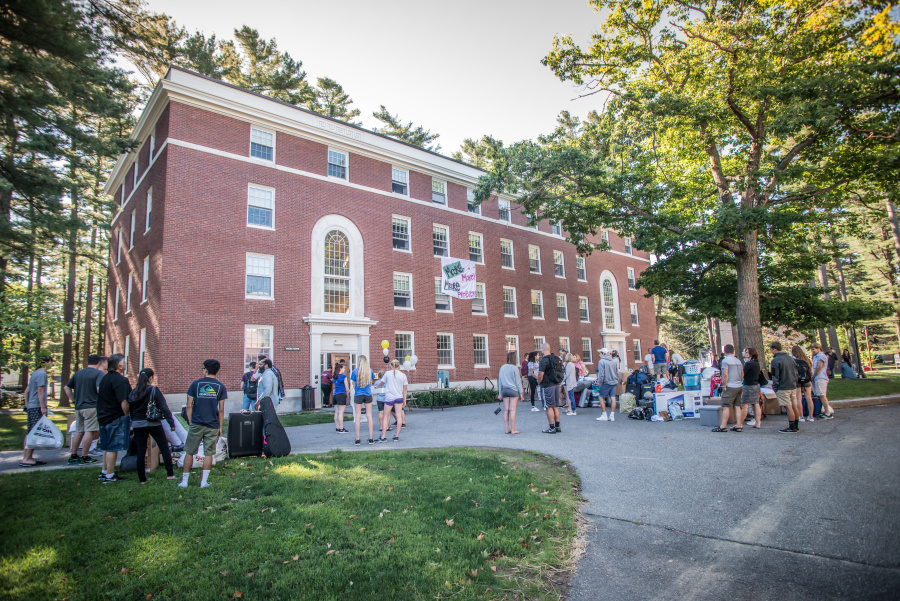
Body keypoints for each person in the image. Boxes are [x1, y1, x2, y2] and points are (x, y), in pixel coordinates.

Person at [179, 359, 227, 489]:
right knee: (209, 453)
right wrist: (220, 426)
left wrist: (190, 421)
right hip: (212, 425)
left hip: (196, 423)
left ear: (205, 369)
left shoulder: (195, 384)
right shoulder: (220, 387)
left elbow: (189, 405)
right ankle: (204, 482)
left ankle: (184, 481)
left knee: (189, 451)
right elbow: (221, 409)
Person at [127, 368, 175, 483]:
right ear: (150, 378)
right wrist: (171, 423)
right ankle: (170, 475)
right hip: (153, 423)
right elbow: (164, 407)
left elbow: (130, 409)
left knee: (141, 451)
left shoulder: (133, 392)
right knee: (164, 447)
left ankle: (142, 479)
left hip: (138, 424)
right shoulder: (153, 390)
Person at [63, 354, 106, 465]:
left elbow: (66, 388)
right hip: (91, 406)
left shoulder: (79, 373)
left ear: (87, 363)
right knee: (89, 431)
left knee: (79, 431)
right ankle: (85, 456)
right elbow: (99, 389)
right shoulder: (99, 374)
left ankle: (73, 455)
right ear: (98, 363)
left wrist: (73, 400)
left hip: (79, 407)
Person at [96, 354, 131, 482]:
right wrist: (127, 416)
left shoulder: (104, 379)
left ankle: (104, 471)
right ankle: (110, 475)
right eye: (124, 362)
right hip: (115, 417)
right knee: (113, 447)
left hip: (103, 416)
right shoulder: (121, 381)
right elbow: (124, 401)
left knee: (105, 447)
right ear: (119, 365)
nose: (125, 364)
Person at [20, 355, 53, 468]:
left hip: (32, 406)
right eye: (50, 362)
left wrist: (27, 405)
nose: (51, 365)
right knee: (34, 432)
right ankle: (27, 458)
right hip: (37, 406)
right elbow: (40, 390)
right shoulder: (42, 374)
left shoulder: (34, 374)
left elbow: (26, 391)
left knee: (30, 431)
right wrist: (43, 407)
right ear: (46, 362)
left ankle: (26, 456)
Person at [769, 341, 800, 433]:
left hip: (783, 386)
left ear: (774, 349)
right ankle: (796, 425)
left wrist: (775, 387)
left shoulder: (775, 360)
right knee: (794, 406)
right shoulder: (790, 359)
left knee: (788, 406)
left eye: (771, 350)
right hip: (792, 385)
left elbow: (775, 375)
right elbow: (796, 372)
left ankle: (792, 427)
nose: (771, 352)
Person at [712, 345, 743, 432]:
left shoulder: (725, 361)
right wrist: (739, 381)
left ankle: (723, 426)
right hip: (738, 385)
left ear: (725, 351)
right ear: (733, 351)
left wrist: (724, 385)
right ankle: (739, 425)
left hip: (730, 385)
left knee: (725, 406)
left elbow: (725, 374)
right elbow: (742, 373)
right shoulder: (738, 361)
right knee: (737, 406)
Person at [379, 359, 408, 442]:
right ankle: (396, 436)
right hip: (399, 397)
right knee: (399, 416)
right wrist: (404, 399)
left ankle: (383, 436)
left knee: (385, 416)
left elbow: (382, 383)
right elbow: (405, 388)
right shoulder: (403, 375)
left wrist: (376, 387)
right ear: (399, 366)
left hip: (389, 397)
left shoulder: (387, 373)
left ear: (391, 366)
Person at [349, 355, 375, 445]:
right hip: (368, 394)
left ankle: (357, 439)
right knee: (369, 416)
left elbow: (353, 384)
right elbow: (371, 383)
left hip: (358, 395)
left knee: (358, 416)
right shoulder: (370, 371)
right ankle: (371, 438)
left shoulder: (355, 371)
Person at [537, 343, 561, 433]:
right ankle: (557, 426)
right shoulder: (556, 358)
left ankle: (551, 427)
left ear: (543, 349)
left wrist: (539, 382)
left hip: (547, 385)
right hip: (556, 384)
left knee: (548, 406)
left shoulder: (544, 360)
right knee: (555, 406)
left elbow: (540, 374)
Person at [498, 351, 524, 433]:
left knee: (506, 410)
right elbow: (518, 382)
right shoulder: (514, 368)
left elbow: (500, 381)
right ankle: (513, 429)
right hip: (513, 391)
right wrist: (521, 393)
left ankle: (507, 428)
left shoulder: (502, 367)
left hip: (504, 390)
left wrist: (500, 393)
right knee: (512, 410)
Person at [738, 348, 762, 432]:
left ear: (750, 354)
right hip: (756, 384)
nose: (744, 353)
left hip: (748, 385)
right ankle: (758, 422)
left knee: (745, 405)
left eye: (746, 352)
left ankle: (739, 423)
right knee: (756, 404)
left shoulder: (748, 364)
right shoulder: (756, 363)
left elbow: (743, 374)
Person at [811, 343, 835, 419]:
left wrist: (813, 376)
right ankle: (824, 410)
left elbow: (819, 367)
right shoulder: (816, 356)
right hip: (817, 378)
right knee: (819, 395)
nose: (812, 350)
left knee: (822, 395)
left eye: (814, 349)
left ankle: (827, 412)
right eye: (811, 349)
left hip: (820, 377)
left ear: (819, 348)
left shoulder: (821, 356)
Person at [792, 345, 815, 423]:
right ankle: (811, 416)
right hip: (806, 380)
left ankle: (801, 416)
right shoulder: (806, 360)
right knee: (809, 398)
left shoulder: (793, 361)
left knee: (798, 399)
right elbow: (811, 371)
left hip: (797, 381)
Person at [595, 348, 619, 422]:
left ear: (603, 354)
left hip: (606, 382)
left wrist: (600, 383)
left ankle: (604, 415)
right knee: (613, 398)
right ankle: (612, 416)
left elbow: (601, 374)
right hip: (614, 381)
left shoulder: (601, 361)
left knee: (601, 398)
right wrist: (616, 379)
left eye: (600, 353)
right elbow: (617, 372)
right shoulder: (614, 360)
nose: (599, 355)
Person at [332, 363, 349, 433]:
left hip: (335, 395)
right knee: (341, 412)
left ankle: (337, 427)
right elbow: (347, 387)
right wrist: (347, 394)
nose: (344, 369)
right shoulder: (343, 376)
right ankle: (341, 428)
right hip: (341, 394)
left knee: (336, 412)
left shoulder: (334, 377)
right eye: (343, 368)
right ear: (340, 369)